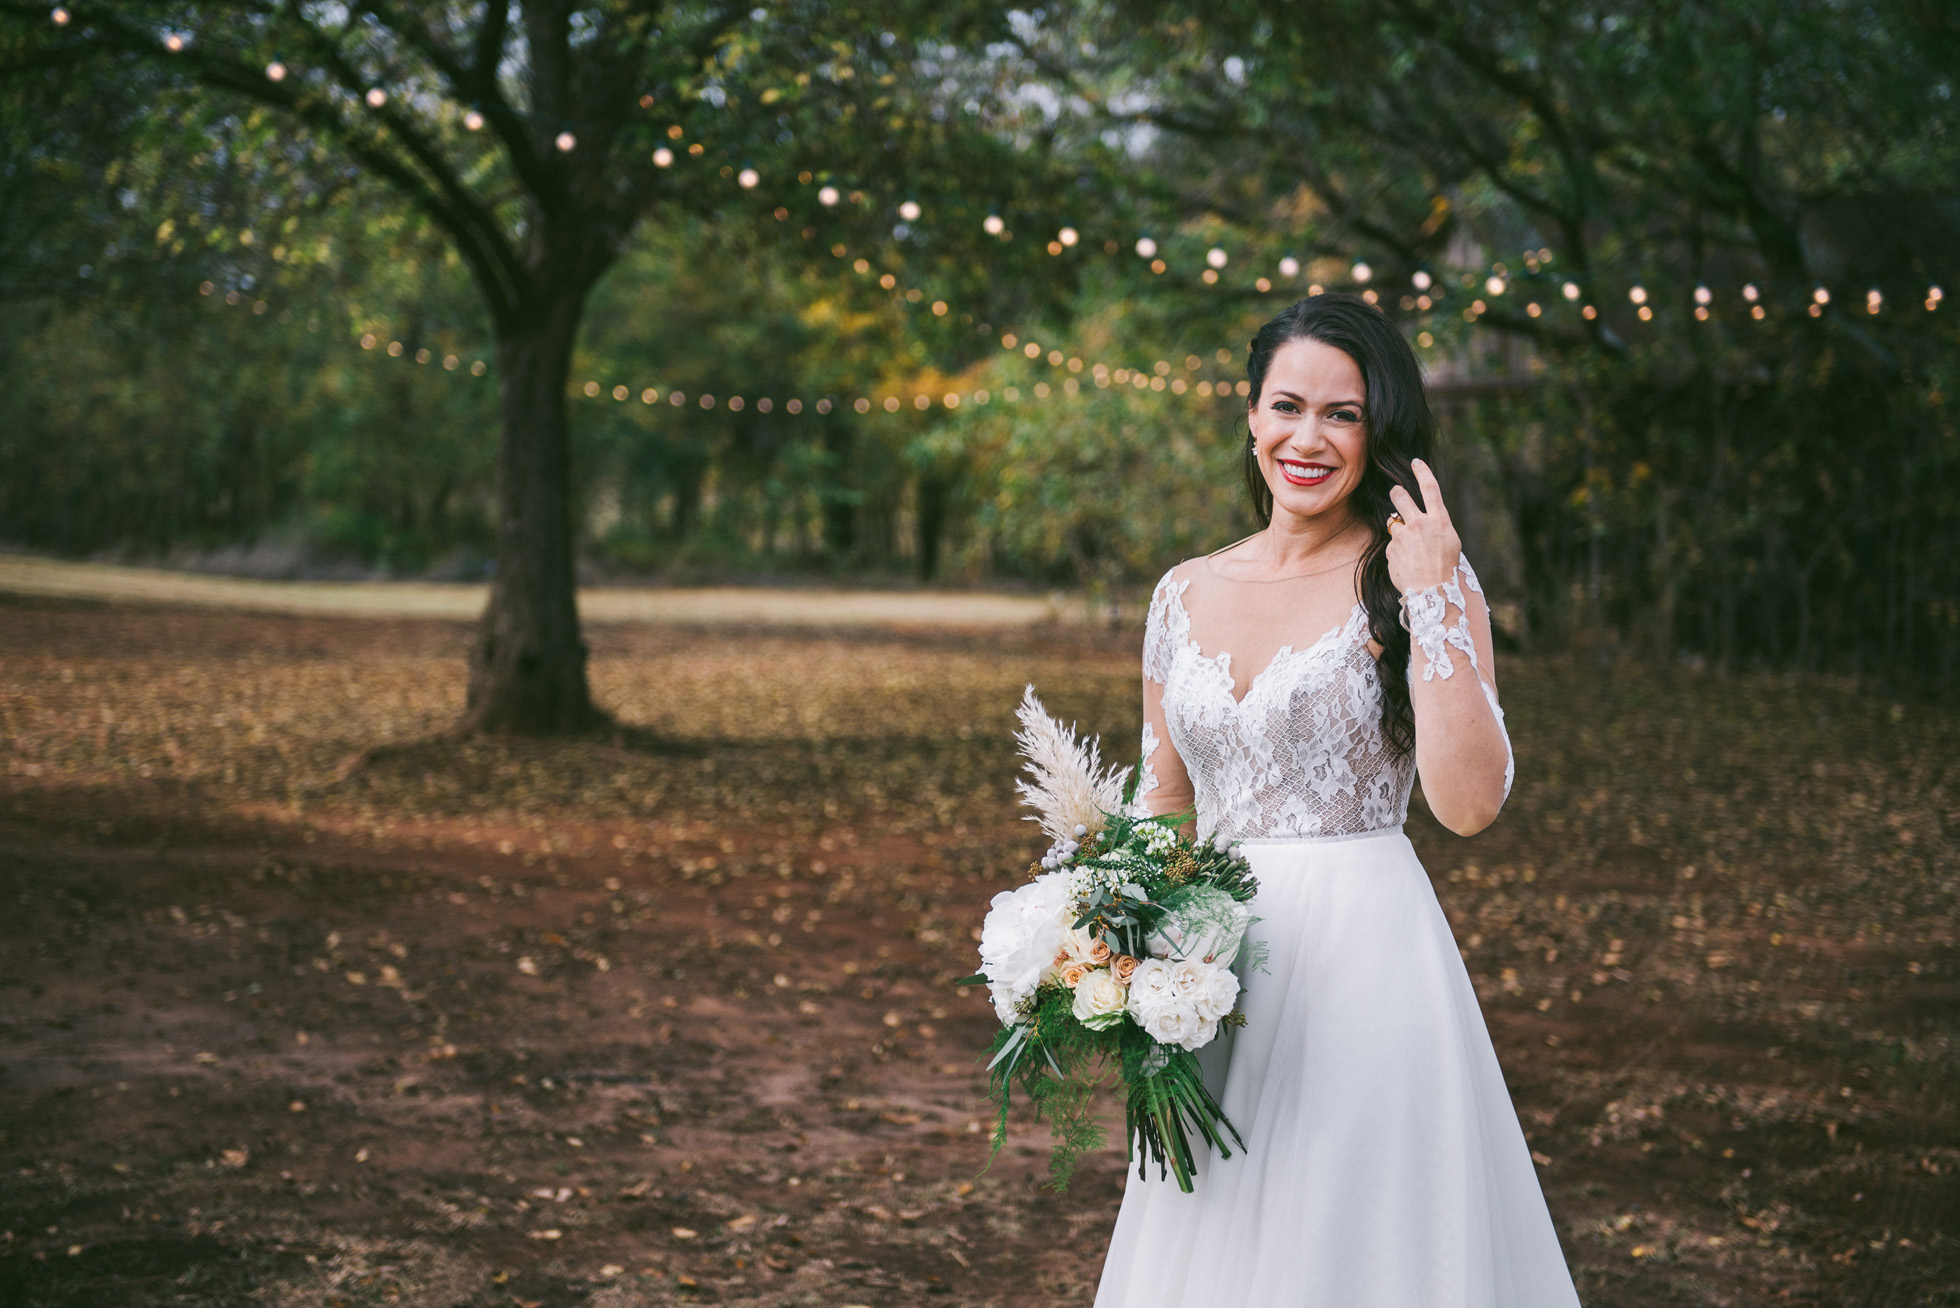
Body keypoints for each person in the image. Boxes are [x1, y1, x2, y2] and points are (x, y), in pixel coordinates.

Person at [1093, 293, 1583, 1308]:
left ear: (1380, 431)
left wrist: (1434, 597)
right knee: (1221, 1246)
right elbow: (1165, 802)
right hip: (1213, 966)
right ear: (1250, 416)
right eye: (1286, 405)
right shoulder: (1182, 592)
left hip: (1365, 961)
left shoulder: (1417, 582)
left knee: (1352, 1247)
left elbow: (1468, 805)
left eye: (1342, 414)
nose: (1306, 438)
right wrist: (1118, 947)